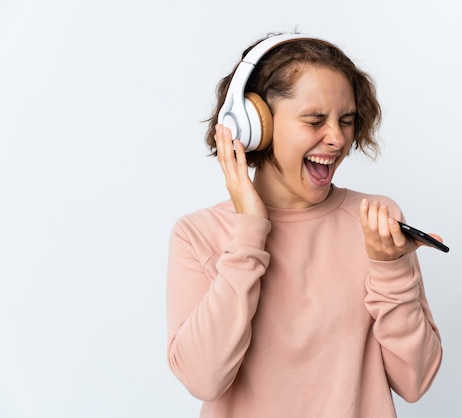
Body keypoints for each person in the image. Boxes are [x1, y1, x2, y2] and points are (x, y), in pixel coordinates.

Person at [166, 32, 443, 418]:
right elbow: (203, 379)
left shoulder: (375, 220)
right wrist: (248, 233)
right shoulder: (199, 233)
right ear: (253, 125)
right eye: (315, 120)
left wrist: (390, 269)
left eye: (346, 121)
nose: (337, 138)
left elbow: (415, 382)